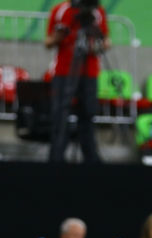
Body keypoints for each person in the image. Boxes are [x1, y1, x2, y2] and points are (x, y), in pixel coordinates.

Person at [45, 0, 110, 163]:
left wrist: (96, 47)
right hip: (64, 71)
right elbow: (47, 42)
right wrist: (59, 37)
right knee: (60, 114)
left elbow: (106, 41)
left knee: (88, 114)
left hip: (89, 71)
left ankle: (91, 158)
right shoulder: (60, 10)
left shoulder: (97, 10)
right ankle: (56, 157)